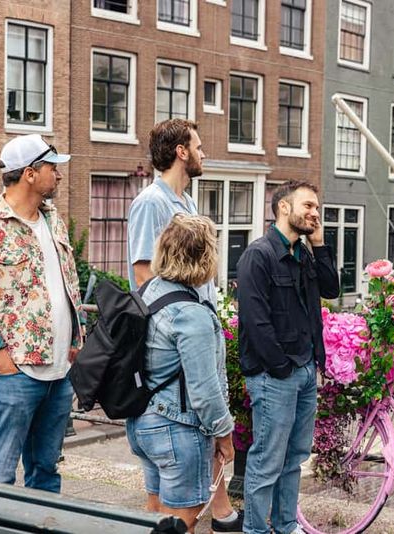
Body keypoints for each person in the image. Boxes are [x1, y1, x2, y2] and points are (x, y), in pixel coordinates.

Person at [127, 119, 241, 531]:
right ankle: (221, 514)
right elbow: (144, 276)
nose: (204, 152)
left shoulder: (187, 203)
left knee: (163, 509)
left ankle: (224, 511)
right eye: (199, 145)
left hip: (192, 335)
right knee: (179, 517)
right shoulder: (151, 203)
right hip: (177, 358)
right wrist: (183, 325)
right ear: (180, 151)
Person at [0, 134, 84, 492]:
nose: (59, 176)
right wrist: (2, 362)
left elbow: (69, 284)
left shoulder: (54, 222)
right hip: (12, 377)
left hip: (59, 374)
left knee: (46, 472)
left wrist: (76, 340)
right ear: (30, 173)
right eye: (52, 168)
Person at [237, 180, 340, 534]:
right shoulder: (259, 255)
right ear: (284, 207)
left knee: (295, 458)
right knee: (267, 461)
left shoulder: (304, 253)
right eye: (308, 206)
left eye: (317, 208)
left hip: (306, 370)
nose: (315, 213)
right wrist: (280, 367)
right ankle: (255, 530)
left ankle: (286, 525)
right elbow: (255, 319)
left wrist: (320, 242)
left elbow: (331, 289)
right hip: (274, 375)